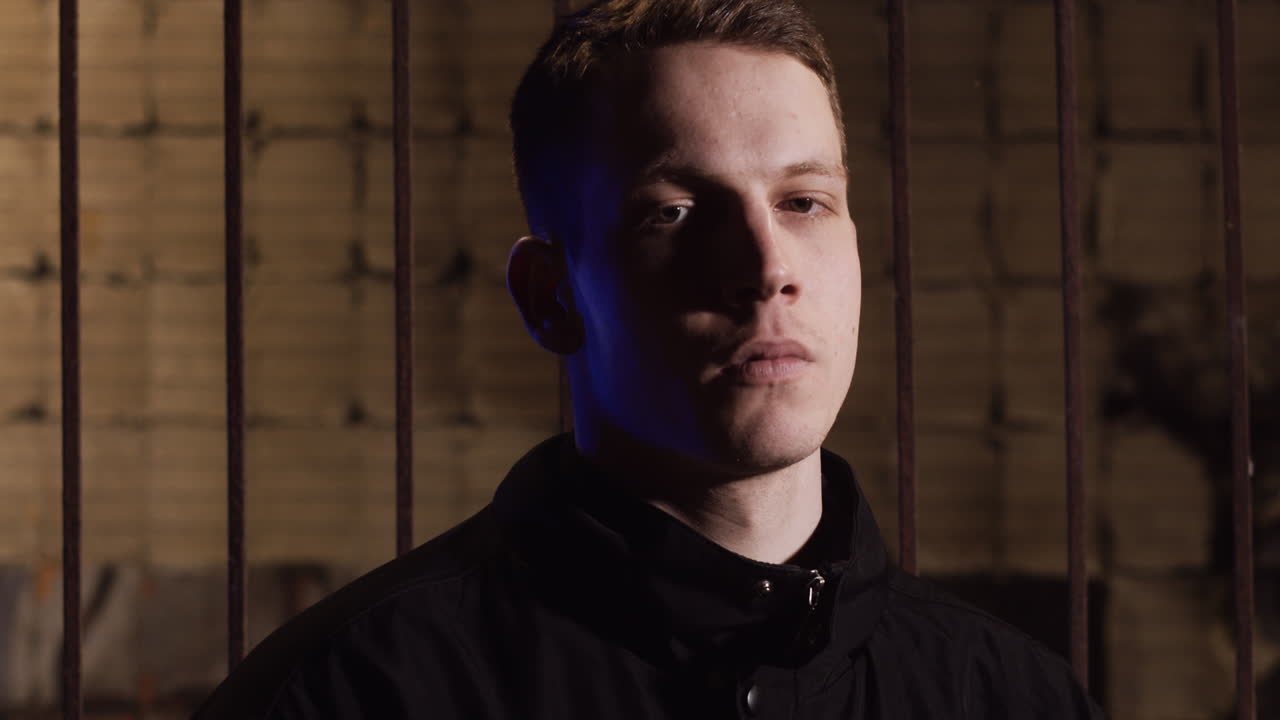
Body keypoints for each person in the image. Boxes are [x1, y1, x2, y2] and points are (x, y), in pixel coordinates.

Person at [193, 0, 1105, 717]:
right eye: (672, 212)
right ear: (550, 296)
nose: (767, 268)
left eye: (804, 202)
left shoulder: (1012, 696)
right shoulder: (354, 694)